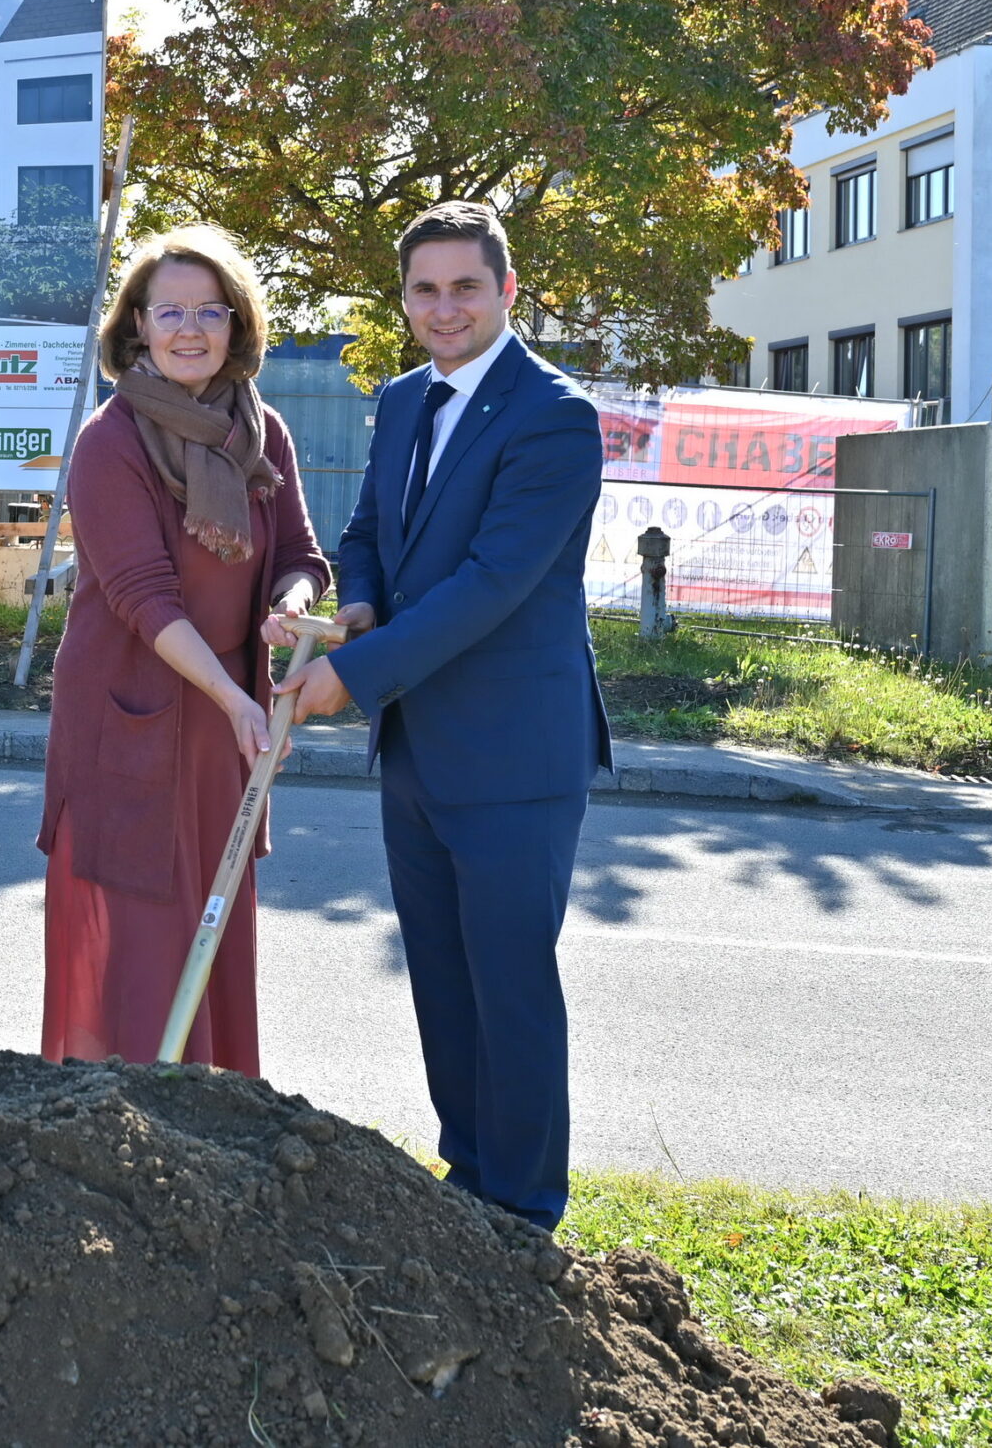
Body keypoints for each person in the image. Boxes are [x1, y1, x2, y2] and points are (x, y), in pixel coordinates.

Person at [278, 199, 609, 1232]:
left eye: (466, 285)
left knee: (507, 988)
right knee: (441, 980)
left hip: (514, 754)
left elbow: (491, 581)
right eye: (424, 288)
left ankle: (522, 1213)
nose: (444, 306)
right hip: (419, 747)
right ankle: (468, 1186)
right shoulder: (403, 399)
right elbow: (370, 529)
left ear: (508, 292)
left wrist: (355, 672)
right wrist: (359, 596)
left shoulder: (555, 415)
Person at [36, 225, 330, 1075]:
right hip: (127, 726)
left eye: (211, 309)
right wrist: (237, 698)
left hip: (220, 738)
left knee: (212, 939)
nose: (190, 328)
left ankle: (210, 1127)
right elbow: (141, 598)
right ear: (137, 326)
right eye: (170, 310)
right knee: (140, 953)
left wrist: (289, 606)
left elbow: (300, 559)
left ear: (238, 324)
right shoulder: (110, 440)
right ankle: (118, 1135)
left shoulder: (263, 431)